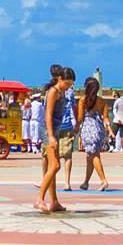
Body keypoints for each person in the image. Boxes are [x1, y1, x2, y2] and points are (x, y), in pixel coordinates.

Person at [36, 67, 77, 213]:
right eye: (66, 83)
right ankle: (39, 199)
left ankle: (54, 202)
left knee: (52, 166)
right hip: (47, 130)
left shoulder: (63, 91)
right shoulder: (53, 91)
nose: (68, 86)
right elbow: (48, 114)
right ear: (59, 79)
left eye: (71, 84)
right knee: (55, 166)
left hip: (56, 129)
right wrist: (51, 136)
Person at [77, 77, 111, 190]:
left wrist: (76, 130)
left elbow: (80, 118)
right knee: (90, 156)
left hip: (88, 129)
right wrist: (109, 129)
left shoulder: (82, 100)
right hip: (98, 129)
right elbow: (106, 118)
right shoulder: (101, 101)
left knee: (94, 155)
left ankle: (103, 180)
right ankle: (86, 182)